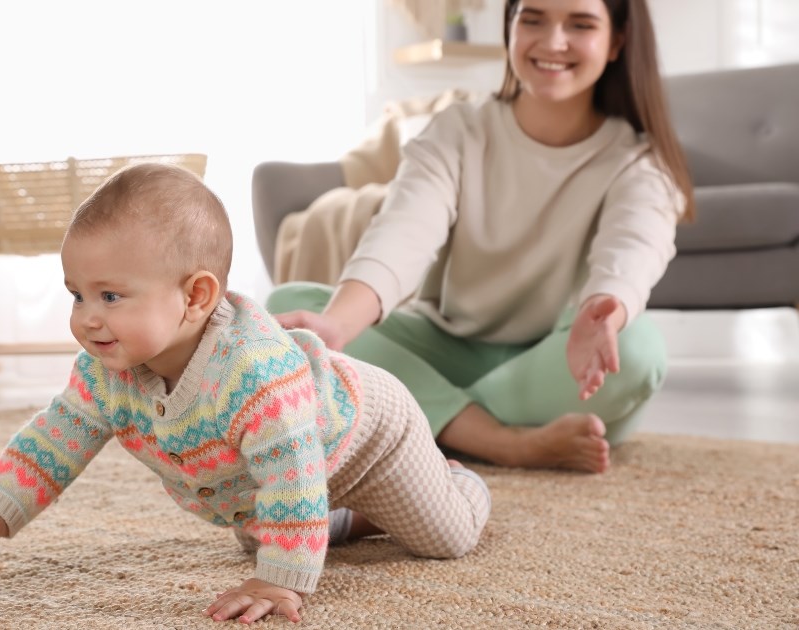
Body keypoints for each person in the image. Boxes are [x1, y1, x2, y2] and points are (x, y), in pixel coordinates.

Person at [0, 163, 491, 624]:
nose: (86, 319)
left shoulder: (256, 376)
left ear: (196, 296)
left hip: (371, 436)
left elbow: (293, 476)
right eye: (76, 293)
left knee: (445, 538)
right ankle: (345, 520)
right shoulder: (106, 372)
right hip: (266, 475)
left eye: (110, 296)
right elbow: (55, 437)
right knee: (260, 530)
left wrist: (281, 579)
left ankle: (457, 479)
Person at [269, 0, 693, 475]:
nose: (553, 42)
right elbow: (402, 233)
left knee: (637, 352)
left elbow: (634, 246)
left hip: (552, 362)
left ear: (617, 41)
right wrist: (340, 326)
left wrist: (609, 305)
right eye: (532, 18)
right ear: (509, 27)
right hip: (444, 349)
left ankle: (420, 423)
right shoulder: (458, 131)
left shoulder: (639, 162)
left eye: (580, 24)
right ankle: (501, 442)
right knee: (287, 308)